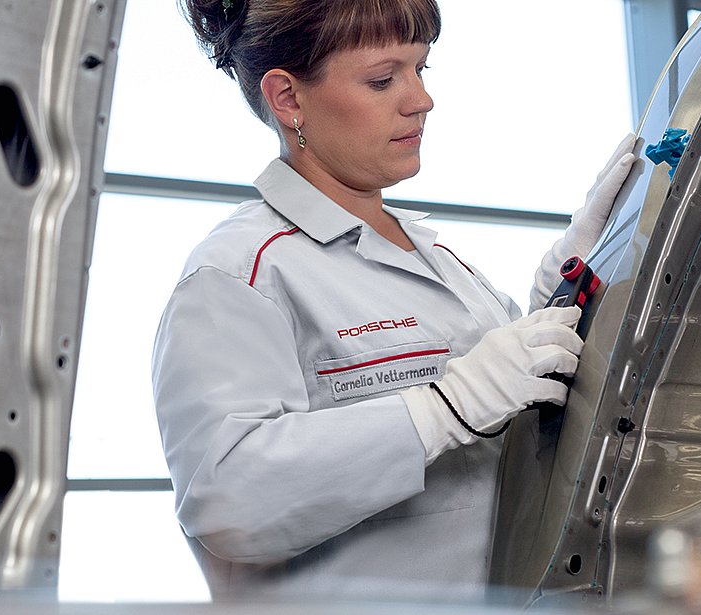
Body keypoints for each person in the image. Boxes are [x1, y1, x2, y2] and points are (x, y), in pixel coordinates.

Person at [150, 0, 640, 601]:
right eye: (383, 79)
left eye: (420, 69)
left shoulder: (438, 258)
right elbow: (227, 502)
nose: (420, 100)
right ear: (287, 99)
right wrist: (439, 409)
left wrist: (568, 287)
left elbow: (504, 420)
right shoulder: (241, 272)